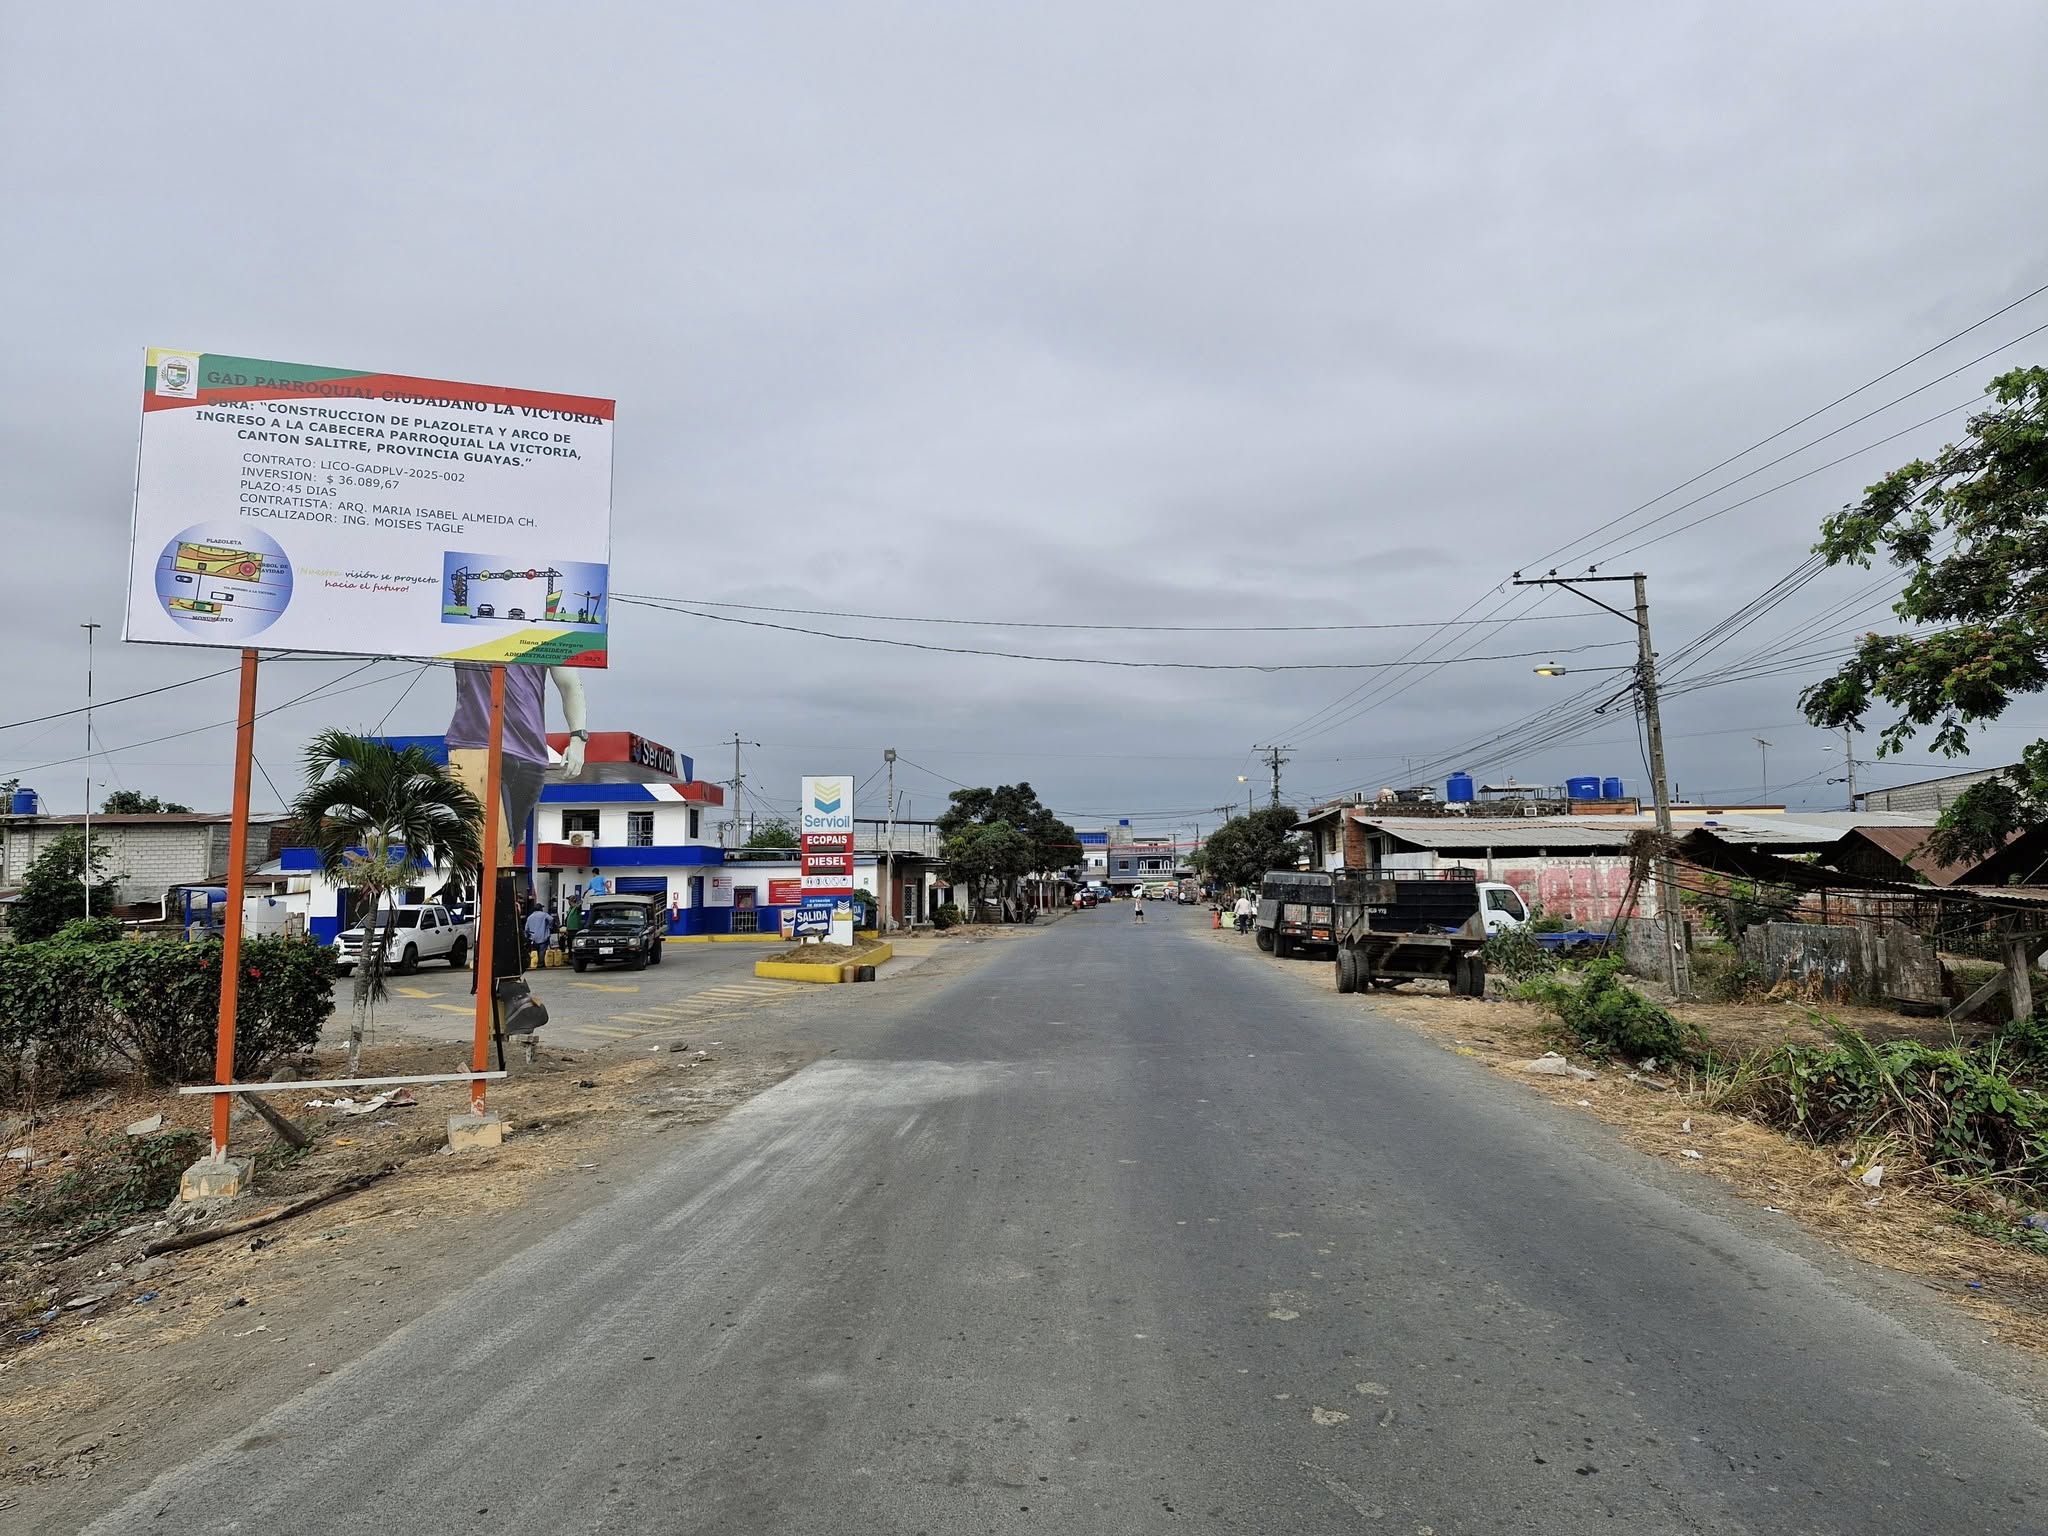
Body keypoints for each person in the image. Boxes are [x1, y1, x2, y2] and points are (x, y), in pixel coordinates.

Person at [523, 903, 554, 971]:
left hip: (534, 937)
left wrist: (527, 936)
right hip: (543, 935)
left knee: (537, 951)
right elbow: (551, 919)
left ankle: (540, 963)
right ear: (540, 908)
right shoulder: (544, 914)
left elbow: (526, 928)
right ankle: (540, 964)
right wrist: (549, 926)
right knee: (542, 950)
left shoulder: (530, 917)